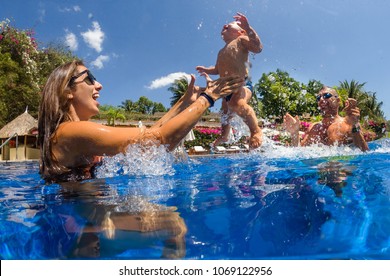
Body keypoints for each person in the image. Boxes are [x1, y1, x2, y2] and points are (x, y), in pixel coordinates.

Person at [38, 60, 244, 182]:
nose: (99, 85)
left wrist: (182, 103)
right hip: (83, 232)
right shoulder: (71, 132)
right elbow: (159, 140)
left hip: (86, 219)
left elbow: (146, 141)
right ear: (67, 91)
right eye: (89, 79)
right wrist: (208, 98)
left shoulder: (68, 132)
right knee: (173, 226)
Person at [195, 12, 263, 149]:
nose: (225, 25)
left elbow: (258, 48)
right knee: (225, 113)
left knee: (237, 103)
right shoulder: (221, 52)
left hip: (242, 84)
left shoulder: (242, 40)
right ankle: (224, 135)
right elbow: (217, 69)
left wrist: (248, 28)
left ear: (240, 31)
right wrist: (207, 70)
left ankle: (256, 131)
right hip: (227, 89)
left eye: (230, 25)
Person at [283, 86, 369, 151]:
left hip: (341, 169)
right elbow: (299, 152)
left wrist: (355, 125)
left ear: (338, 101)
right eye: (318, 98)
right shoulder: (314, 127)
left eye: (326, 95)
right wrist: (294, 133)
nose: (321, 99)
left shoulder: (348, 123)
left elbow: (364, 151)